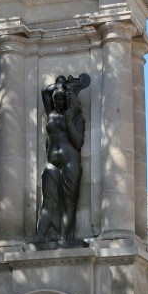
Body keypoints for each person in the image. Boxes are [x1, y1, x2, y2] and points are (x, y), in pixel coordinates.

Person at [36, 73, 90, 244]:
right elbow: (45, 91)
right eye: (56, 99)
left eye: (61, 99)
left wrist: (68, 122)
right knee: (47, 201)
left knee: (69, 203)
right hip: (52, 163)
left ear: (67, 101)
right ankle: (39, 237)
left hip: (70, 162)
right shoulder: (51, 114)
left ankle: (63, 238)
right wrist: (62, 86)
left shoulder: (76, 118)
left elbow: (78, 142)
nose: (58, 102)